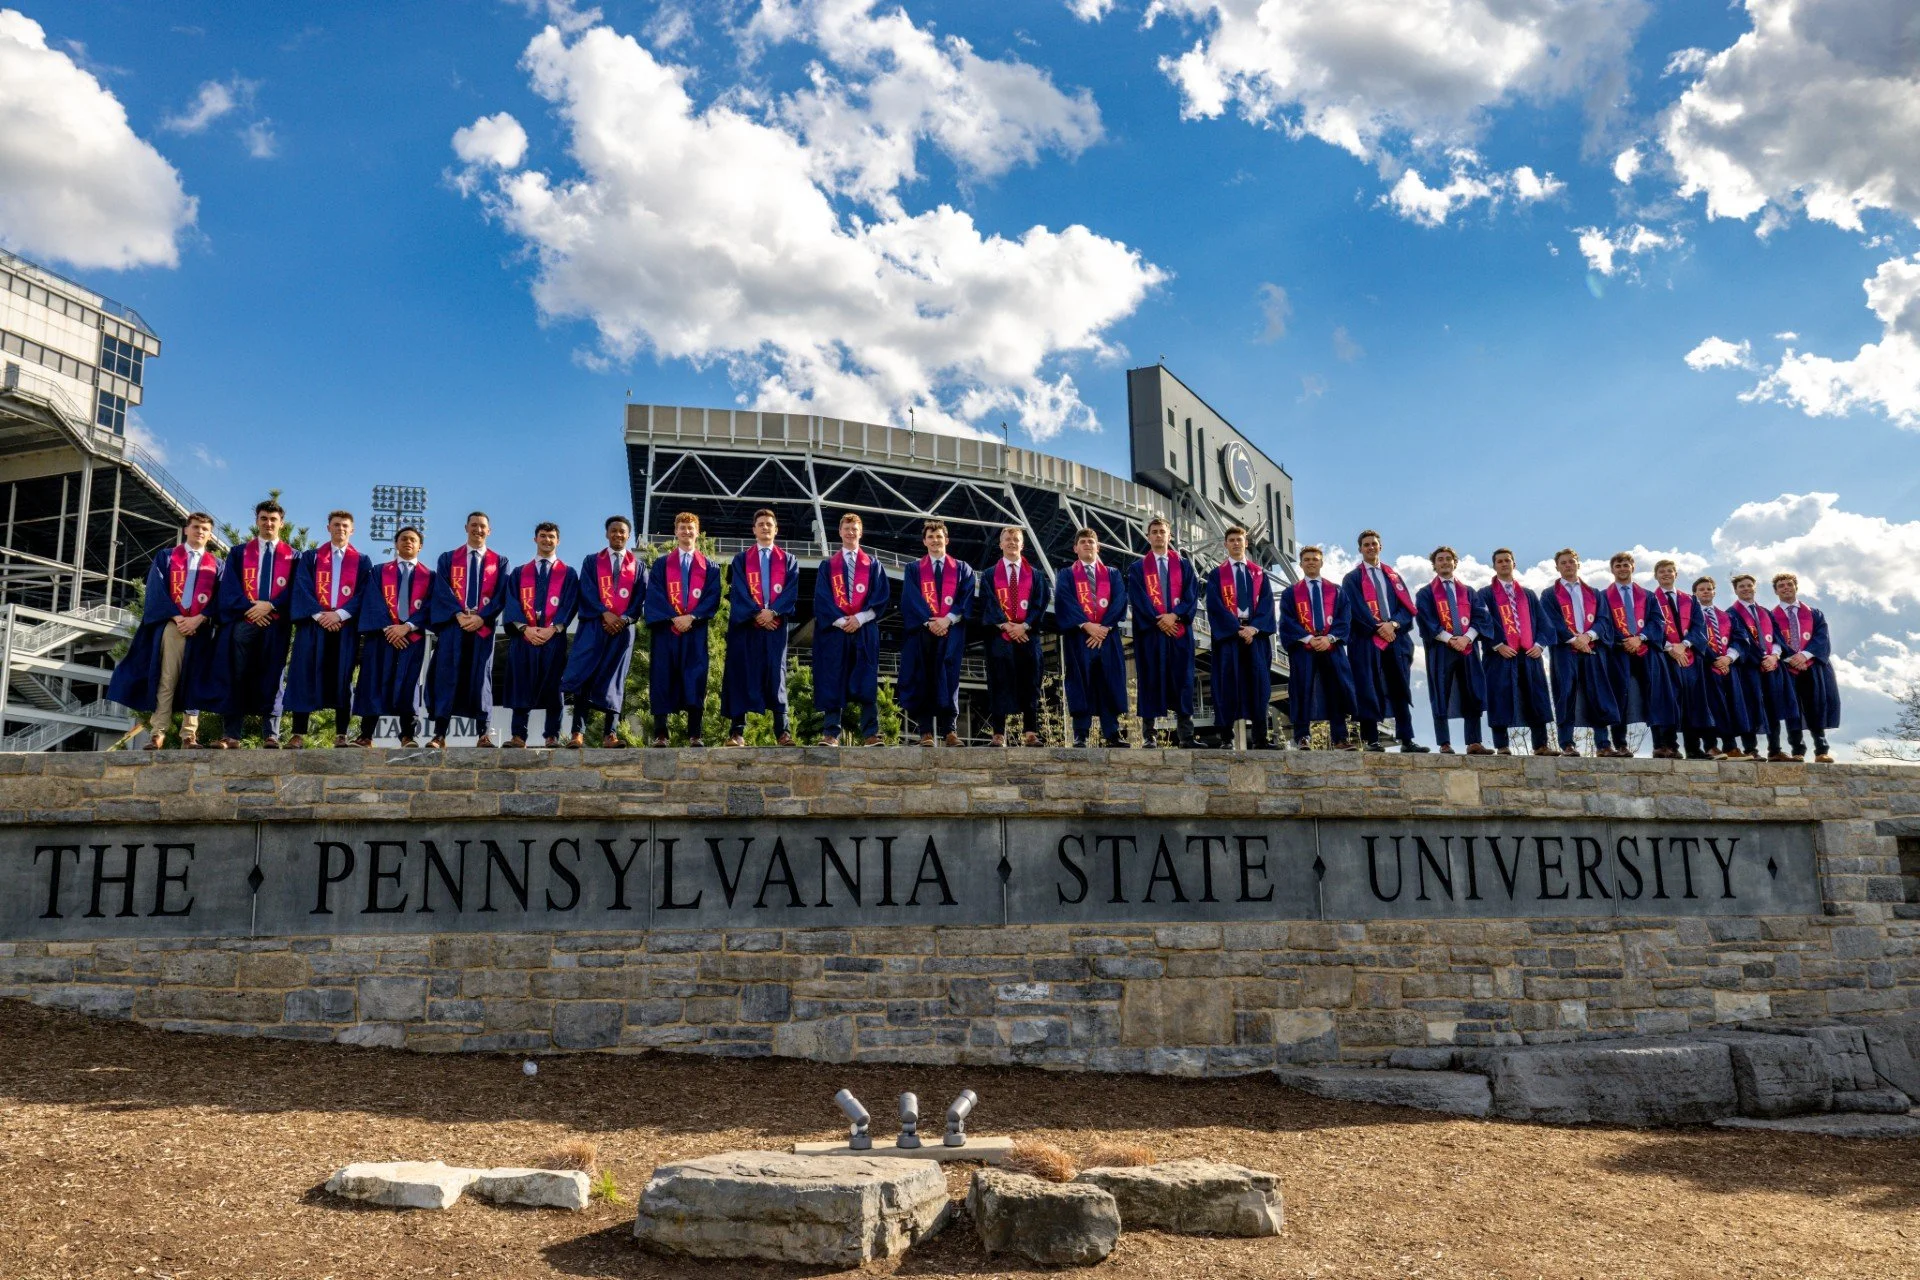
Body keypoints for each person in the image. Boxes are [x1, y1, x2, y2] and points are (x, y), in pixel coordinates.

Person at [107, 511, 224, 750]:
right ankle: (158, 733)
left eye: (205, 529)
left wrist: (199, 618)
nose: (200, 532)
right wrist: (179, 617)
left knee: (195, 680)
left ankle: (189, 736)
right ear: (186, 529)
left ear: (210, 535)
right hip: (174, 625)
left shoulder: (217, 565)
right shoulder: (168, 557)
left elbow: (221, 597)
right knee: (167, 678)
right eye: (196, 527)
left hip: (201, 629)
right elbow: (157, 590)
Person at [214, 499, 297, 748]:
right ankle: (232, 735)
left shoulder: (293, 556)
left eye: (273, 519)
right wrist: (251, 608)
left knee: (274, 676)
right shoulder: (239, 553)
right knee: (236, 675)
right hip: (244, 621)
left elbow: (295, 590)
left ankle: (271, 734)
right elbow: (229, 586)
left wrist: (270, 606)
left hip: (276, 622)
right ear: (257, 522)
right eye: (264, 518)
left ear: (281, 524)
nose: (268, 523)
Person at [283, 510, 371, 748]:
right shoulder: (311, 557)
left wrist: (340, 614)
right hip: (314, 625)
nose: (340, 529)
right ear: (328, 528)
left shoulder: (362, 561)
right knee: (304, 676)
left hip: (345, 627)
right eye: (336, 525)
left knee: (343, 679)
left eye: (345, 525)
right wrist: (320, 615)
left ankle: (341, 733)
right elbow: (302, 585)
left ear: (352, 530)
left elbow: (364, 592)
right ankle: (298, 733)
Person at [560, 516, 644, 748]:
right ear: (607, 534)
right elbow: (586, 591)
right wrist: (604, 614)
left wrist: (624, 619)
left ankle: (610, 734)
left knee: (614, 680)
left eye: (622, 532)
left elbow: (638, 600)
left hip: (623, 631)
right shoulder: (592, 562)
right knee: (586, 676)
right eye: (614, 531)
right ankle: (578, 732)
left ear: (628, 535)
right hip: (594, 626)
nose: (618, 535)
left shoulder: (637, 566)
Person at [427, 511, 509, 748]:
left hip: (483, 629)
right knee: (446, 676)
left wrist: (482, 617)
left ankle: (483, 734)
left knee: (481, 678)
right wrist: (458, 615)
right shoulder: (448, 558)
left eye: (483, 526)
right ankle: (440, 734)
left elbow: (501, 594)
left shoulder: (500, 561)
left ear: (489, 531)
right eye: (474, 525)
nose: (478, 530)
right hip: (455, 627)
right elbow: (442, 590)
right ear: (466, 528)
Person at [1341, 530, 1426, 753]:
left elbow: (1406, 607)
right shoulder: (1352, 579)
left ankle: (1407, 739)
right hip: (1366, 640)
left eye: (1374, 544)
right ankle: (1372, 740)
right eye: (1366, 544)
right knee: (1367, 687)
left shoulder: (1393, 577)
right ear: (1360, 549)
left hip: (1395, 640)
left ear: (1381, 547)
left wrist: (1393, 625)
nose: (1370, 547)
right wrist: (1379, 627)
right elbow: (1356, 609)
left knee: (1399, 688)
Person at [721, 508, 799, 747]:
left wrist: (772, 612)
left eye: (769, 524)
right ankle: (737, 732)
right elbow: (739, 591)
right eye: (761, 524)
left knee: (777, 674)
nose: (765, 527)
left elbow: (790, 591)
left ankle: (782, 732)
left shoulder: (788, 559)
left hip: (775, 626)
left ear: (776, 529)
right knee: (741, 673)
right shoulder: (742, 560)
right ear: (753, 529)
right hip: (748, 626)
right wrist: (756, 614)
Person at [644, 511, 722, 746]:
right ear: (675, 531)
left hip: (695, 631)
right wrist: (673, 617)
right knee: (662, 677)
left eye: (691, 528)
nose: (686, 531)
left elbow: (712, 597)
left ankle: (695, 733)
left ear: (697, 532)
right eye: (682, 527)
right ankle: (661, 733)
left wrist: (693, 617)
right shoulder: (661, 564)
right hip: (666, 631)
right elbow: (655, 594)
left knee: (695, 678)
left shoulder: (710, 567)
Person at [813, 512, 891, 746]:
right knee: (832, 678)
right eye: (847, 528)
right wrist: (842, 621)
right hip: (836, 632)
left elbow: (881, 597)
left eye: (854, 528)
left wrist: (858, 618)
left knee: (866, 679)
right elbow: (822, 599)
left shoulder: (873, 565)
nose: (850, 532)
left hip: (864, 630)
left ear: (860, 532)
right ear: (840, 532)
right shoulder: (828, 566)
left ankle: (869, 734)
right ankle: (831, 733)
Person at [351, 526, 433, 747]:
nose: (408, 542)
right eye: (403, 539)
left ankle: (407, 735)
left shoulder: (430, 576)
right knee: (374, 681)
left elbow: (430, 607)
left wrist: (406, 627)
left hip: (411, 638)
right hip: (382, 637)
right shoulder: (379, 571)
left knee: (409, 684)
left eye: (413, 540)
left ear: (420, 546)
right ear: (396, 544)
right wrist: (390, 628)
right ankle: (366, 735)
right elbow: (372, 601)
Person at [898, 519, 975, 746]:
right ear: (924, 541)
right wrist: (929, 621)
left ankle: (949, 731)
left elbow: (966, 597)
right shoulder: (914, 570)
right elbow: (910, 599)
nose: (935, 540)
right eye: (930, 537)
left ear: (946, 540)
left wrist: (947, 619)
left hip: (950, 633)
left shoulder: (962, 569)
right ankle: (925, 732)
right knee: (922, 677)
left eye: (939, 536)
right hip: (923, 632)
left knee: (949, 678)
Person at [502, 522, 579, 747]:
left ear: (558, 541)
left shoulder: (568, 573)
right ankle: (518, 735)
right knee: (521, 685)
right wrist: (526, 629)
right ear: (535, 539)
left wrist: (553, 628)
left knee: (555, 687)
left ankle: (552, 735)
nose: (547, 540)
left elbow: (570, 602)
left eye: (552, 536)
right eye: (543, 536)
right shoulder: (519, 573)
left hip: (553, 638)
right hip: (524, 638)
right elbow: (512, 601)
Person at [1125, 516, 1198, 748]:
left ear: (1170, 536)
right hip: (1151, 634)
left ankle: (1186, 736)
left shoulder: (1184, 566)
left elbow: (1191, 597)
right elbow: (1139, 599)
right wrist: (1160, 620)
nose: (1158, 535)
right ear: (1148, 537)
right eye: (1154, 532)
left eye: (1162, 531)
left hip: (1178, 632)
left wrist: (1174, 616)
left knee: (1183, 680)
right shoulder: (1137, 569)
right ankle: (1149, 736)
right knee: (1150, 680)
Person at [1540, 548, 1620, 757]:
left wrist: (1589, 637)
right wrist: (1575, 640)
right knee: (1566, 695)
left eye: (1571, 562)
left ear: (1578, 564)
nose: (1568, 565)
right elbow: (1552, 621)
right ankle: (1567, 743)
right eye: (1563, 562)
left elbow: (1604, 619)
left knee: (1598, 694)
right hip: (1565, 652)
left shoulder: (1594, 593)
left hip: (1592, 650)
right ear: (1557, 567)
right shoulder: (1549, 594)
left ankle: (1603, 744)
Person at [1055, 527, 1130, 748]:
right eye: (1083, 542)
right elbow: (1064, 601)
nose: (1087, 544)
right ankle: (1081, 734)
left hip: (1107, 638)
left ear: (1098, 547)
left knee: (1109, 682)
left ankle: (1112, 733)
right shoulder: (1067, 575)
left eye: (1091, 541)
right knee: (1080, 682)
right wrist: (1088, 626)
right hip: (1080, 638)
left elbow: (1119, 602)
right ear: (1075, 548)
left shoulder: (1112, 574)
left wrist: (1103, 628)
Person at [1479, 548, 1558, 756]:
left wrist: (1540, 645)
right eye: (1499, 561)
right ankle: (1502, 745)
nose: (1504, 564)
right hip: (1499, 655)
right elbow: (1482, 622)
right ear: (1494, 566)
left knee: (1536, 697)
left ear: (1514, 564)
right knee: (1499, 697)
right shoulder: (1486, 594)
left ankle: (1540, 745)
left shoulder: (1528, 595)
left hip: (1529, 654)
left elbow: (1544, 623)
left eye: (1507, 560)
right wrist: (1497, 645)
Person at [976, 525, 1049, 747]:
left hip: (1027, 638)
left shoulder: (1035, 575)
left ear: (1022, 544)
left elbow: (1040, 603)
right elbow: (988, 602)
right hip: (1001, 638)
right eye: (1007, 539)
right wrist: (1007, 626)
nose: (1011, 542)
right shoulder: (990, 574)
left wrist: (1024, 625)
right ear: (1000, 544)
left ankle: (1030, 732)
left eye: (1016, 539)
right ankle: (998, 732)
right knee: (999, 681)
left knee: (1030, 682)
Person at [1277, 544, 1356, 749]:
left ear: (1321, 562)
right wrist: (1308, 638)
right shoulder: (1291, 593)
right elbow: (1287, 621)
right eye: (1307, 559)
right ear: (1301, 564)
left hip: (1331, 645)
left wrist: (1329, 638)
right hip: (1304, 648)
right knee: (1302, 689)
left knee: (1335, 689)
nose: (1311, 562)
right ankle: (1302, 736)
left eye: (1315, 558)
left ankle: (1340, 737)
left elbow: (1344, 618)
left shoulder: (1336, 591)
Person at [1413, 545, 1489, 755]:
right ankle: (1444, 743)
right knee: (1441, 693)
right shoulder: (1426, 593)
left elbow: (1481, 617)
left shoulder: (1469, 592)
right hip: (1441, 650)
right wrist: (1450, 639)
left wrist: (1466, 638)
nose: (1445, 562)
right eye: (1440, 559)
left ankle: (1474, 742)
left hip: (1468, 648)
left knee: (1472, 692)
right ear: (1434, 565)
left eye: (1448, 559)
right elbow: (1426, 620)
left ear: (1455, 563)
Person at [1207, 525, 1276, 749]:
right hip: (1229, 636)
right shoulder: (1217, 575)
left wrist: (1253, 629)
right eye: (1232, 540)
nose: (1236, 543)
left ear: (1246, 543)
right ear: (1226, 545)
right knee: (1226, 684)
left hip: (1255, 637)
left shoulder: (1258, 574)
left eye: (1240, 539)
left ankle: (1260, 738)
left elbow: (1267, 605)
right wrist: (1236, 630)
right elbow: (1215, 606)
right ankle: (1226, 737)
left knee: (1259, 685)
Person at [1596, 552, 1666, 759]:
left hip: (1645, 651)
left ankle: (1659, 745)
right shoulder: (1603, 596)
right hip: (1618, 653)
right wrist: (1624, 640)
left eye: (1626, 564)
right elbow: (1603, 622)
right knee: (1620, 698)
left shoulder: (1647, 595)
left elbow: (1658, 622)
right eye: (1618, 565)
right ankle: (1621, 744)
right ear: (1612, 569)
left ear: (1633, 567)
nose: (1622, 568)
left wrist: (1640, 638)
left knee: (1652, 695)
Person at [1728, 573, 1796, 762]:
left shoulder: (1766, 612)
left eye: (1749, 585)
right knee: (1750, 706)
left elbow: (1777, 638)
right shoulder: (1731, 614)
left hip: (1771, 667)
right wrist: (1760, 659)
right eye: (1742, 586)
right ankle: (1750, 750)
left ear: (1755, 587)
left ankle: (1775, 750)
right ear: (1735, 590)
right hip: (1748, 668)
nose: (1746, 589)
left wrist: (1774, 656)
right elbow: (1740, 641)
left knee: (1773, 706)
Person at [1773, 572, 1840, 762]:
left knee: (1815, 706)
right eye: (1781, 585)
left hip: (1812, 667)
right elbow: (1773, 640)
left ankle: (1821, 750)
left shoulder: (1813, 613)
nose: (1786, 587)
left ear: (1796, 587)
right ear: (1776, 591)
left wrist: (1804, 656)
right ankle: (1797, 750)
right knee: (1791, 708)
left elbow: (1821, 638)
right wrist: (1791, 658)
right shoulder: (1772, 616)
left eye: (1789, 584)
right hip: (1786, 669)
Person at [1647, 558, 1705, 760]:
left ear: (1676, 574)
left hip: (1688, 658)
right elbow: (1650, 627)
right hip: (1663, 657)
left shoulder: (1690, 599)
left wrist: (1684, 645)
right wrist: (1670, 647)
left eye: (1670, 571)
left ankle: (1693, 747)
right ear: (1656, 576)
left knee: (1692, 702)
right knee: (1664, 701)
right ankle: (1666, 745)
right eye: (1661, 571)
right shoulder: (1649, 599)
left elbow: (1699, 628)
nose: (1666, 574)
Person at [1689, 576, 1750, 760]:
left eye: (1709, 588)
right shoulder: (1693, 616)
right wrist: (1715, 659)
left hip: (1728, 669)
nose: (1706, 591)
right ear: (1695, 594)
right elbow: (1695, 638)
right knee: (1708, 707)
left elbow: (1740, 639)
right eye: (1701, 589)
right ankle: (1711, 746)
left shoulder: (1728, 616)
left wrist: (1728, 658)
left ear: (1714, 592)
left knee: (1730, 706)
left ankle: (1731, 746)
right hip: (1703, 669)